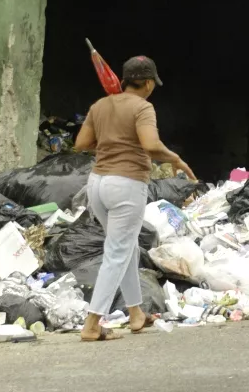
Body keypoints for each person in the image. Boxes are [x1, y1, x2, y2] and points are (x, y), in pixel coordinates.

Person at [73, 56, 195, 342]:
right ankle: (92, 324)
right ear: (149, 83)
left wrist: (111, 144)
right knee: (117, 252)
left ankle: (136, 313)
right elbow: (151, 145)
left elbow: (81, 144)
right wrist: (176, 158)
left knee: (125, 249)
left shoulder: (99, 105)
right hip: (126, 185)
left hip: (97, 184)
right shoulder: (143, 107)